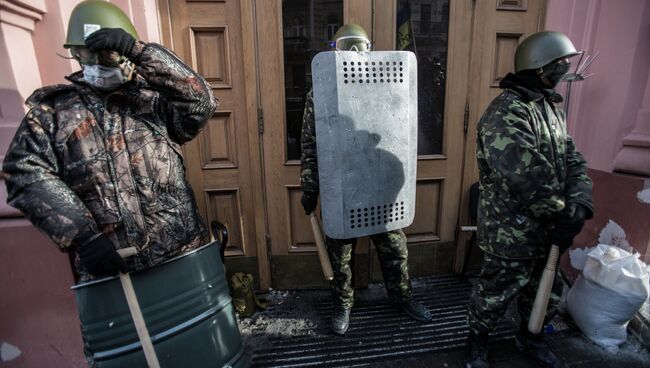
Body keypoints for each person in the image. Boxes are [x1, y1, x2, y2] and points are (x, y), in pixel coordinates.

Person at [3, 0, 217, 281]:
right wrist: (83, 236)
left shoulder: (154, 102)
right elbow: (24, 171)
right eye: (87, 54)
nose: (97, 63)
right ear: (76, 54)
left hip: (181, 257)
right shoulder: (54, 113)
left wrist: (139, 51)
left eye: (107, 55)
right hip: (112, 269)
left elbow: (202, 101)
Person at [464, 31, 594, 368]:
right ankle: (477, 343)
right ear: (538, 67)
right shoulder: (505, 114)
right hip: (512, 230)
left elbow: (571, 158)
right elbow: (524, 174)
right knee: (495, 291)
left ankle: (531, 336)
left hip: (548, 226)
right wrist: (560, 215)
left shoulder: (550, 109)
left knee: (544, 291)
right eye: (559, 62)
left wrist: (579, 203)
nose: (566, 67)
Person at [300, 24, 432, 336]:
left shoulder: (387, 85)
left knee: (394, 249)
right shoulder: (320, 90)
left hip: (378, 185)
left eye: (360, 48)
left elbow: (401, 132)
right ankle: (344, 303)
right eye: (350, 48)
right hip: (341, 186)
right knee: (341, 257)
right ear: (337, 50)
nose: (356, 55)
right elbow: (310, 143)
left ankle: (401, 297)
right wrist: (310, 186)